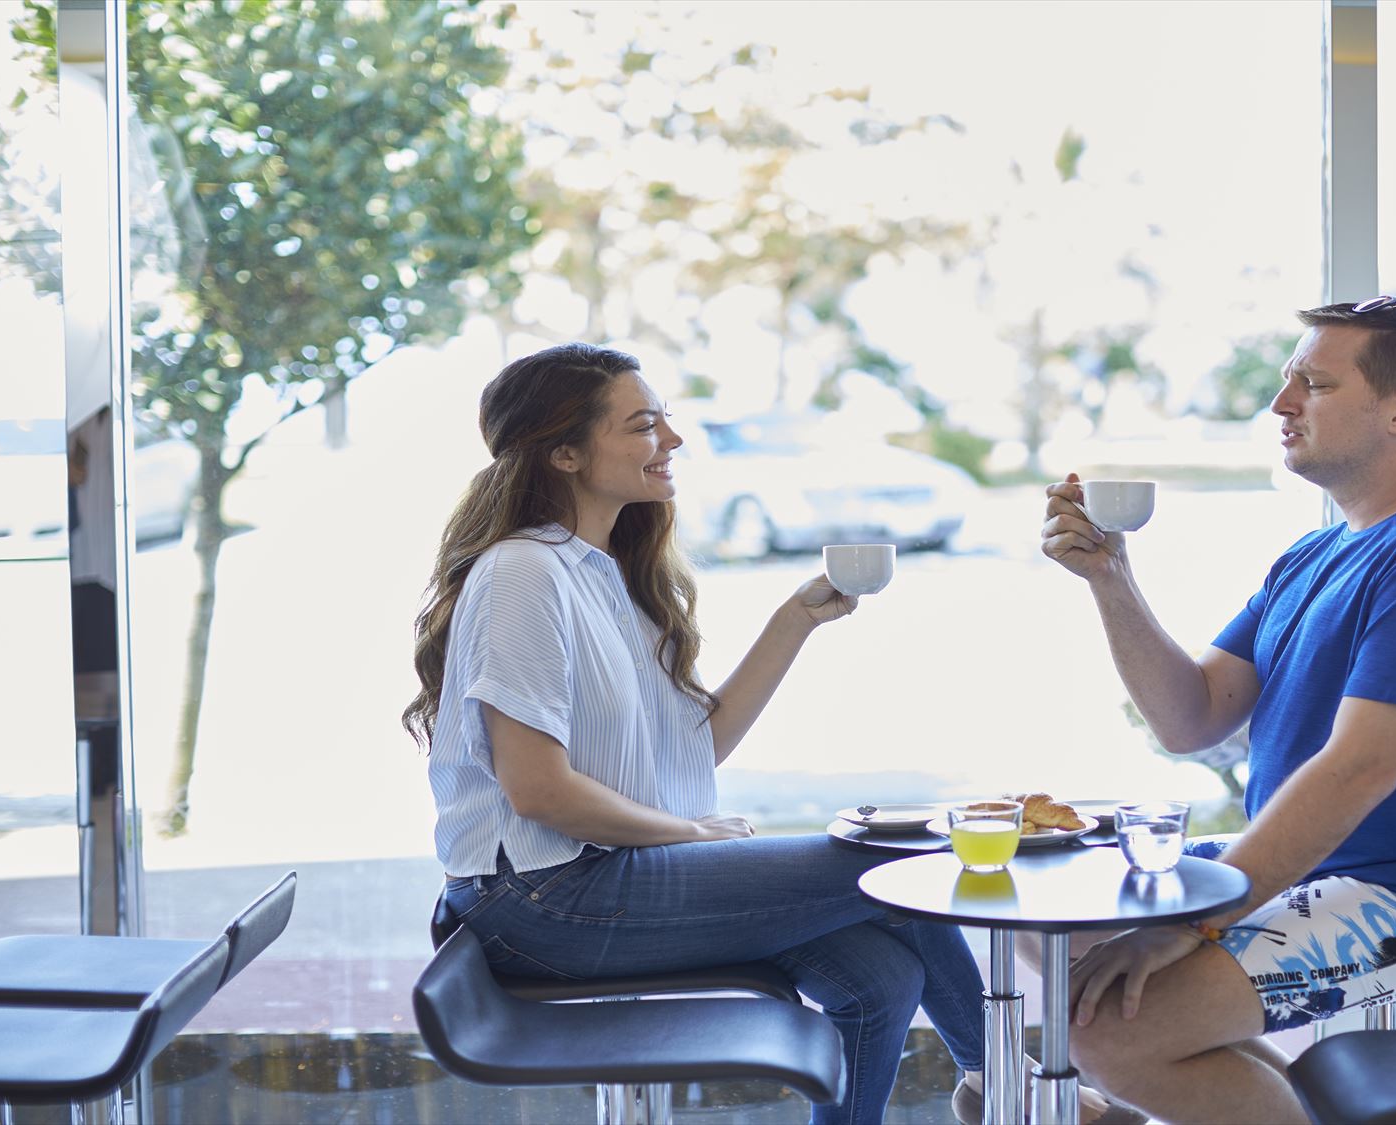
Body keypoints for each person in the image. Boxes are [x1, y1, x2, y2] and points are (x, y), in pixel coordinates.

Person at [404, 342, 1000, 1125]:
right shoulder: (524, 571)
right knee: (890, 862)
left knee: (880, 975)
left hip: (599, 878)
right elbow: (537, 788)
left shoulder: (604, 569)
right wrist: (688, 831)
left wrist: (796, 620)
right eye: (644, 426)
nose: (674, 442)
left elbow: (696, 746)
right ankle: (1002, 1079)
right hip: (538, 897)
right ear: (566, 452)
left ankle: (991, 1079)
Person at [1037, 299, 1396, 1122]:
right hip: (1321, 872)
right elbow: (1191, 717)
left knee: (1113, 1033)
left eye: (1312, 383)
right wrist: (1110, 576)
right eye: (1287, 382)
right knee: (1058, 921)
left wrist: (1195, 922)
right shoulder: (1315, 551)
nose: (1281, 405)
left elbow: (1361, 766)